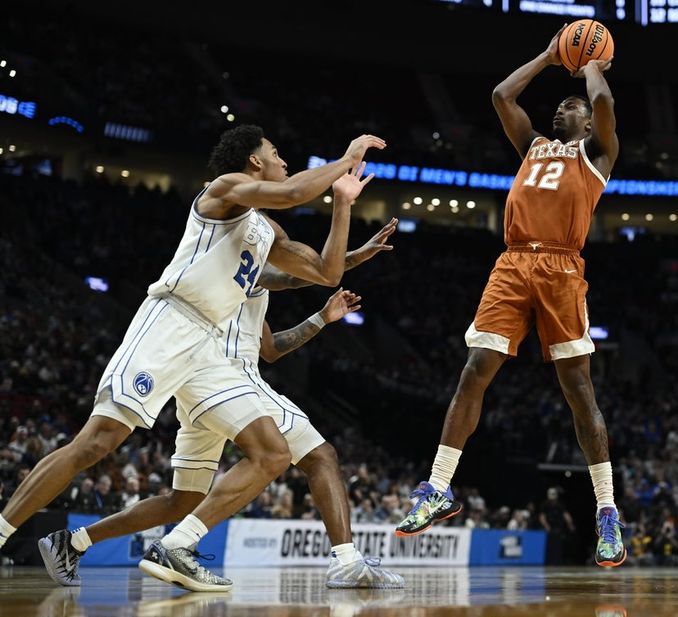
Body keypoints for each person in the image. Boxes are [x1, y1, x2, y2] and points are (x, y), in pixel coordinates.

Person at [0, 124, 384, 591]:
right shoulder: (223, 190)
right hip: (171, 322)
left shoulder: (267, 230)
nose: (284, 159)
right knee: (96, 442)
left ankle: (152, 545)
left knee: (268, 455)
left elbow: (326, 271)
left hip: (208, 349)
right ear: (255, 161)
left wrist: (342, 204)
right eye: (277, 152)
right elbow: (290, 191)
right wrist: (346, 158)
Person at [38, 224, 404, 590]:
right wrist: (352, 257)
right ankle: (184, 546)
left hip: (218, 385)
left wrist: (322, 318)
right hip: (221, 376)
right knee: (304, 455)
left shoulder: (244, 284)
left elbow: (271, 349)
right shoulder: (234, 261)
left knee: (182, 501)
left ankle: (73, 542)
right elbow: (295, 279)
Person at [394, 26, 624, 567]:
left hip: (562, 268)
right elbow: (501, 95)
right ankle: (438, 487)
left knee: (578, 391)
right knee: (474, 370)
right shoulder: (534, 147)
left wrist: (590, 63)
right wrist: (550, 55)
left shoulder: (597, 155)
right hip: (513, 263)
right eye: (562, 105)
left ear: (588, 123)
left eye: (574, 106)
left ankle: (607, 511)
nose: (564, 107)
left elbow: (606, 101)